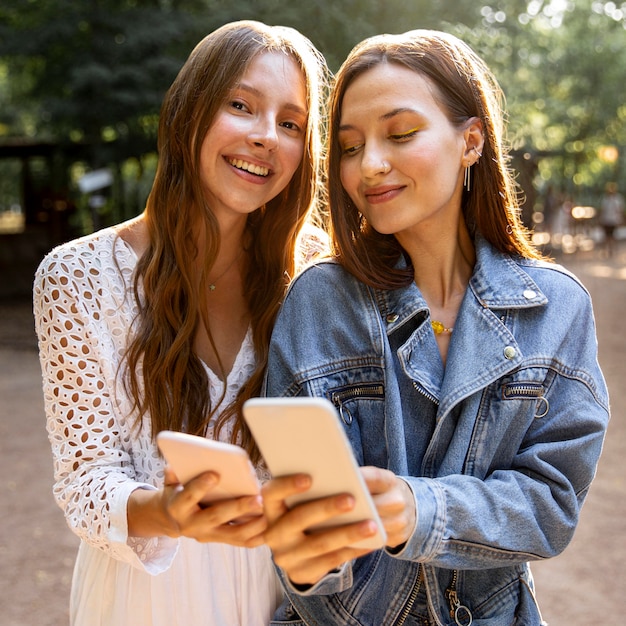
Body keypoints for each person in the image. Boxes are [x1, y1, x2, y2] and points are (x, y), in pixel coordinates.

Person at [260, 30, 609, 625]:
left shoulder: (556, 308)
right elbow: (307, 546)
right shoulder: (320, 299)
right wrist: (305, 548)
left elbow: (550, 505)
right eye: (349, 147)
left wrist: (416, 509)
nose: (370, 165)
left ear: (470, 139)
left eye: (400, 135)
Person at [33, 20, 328, 626]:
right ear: (188, 112)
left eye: (290, 123)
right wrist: (168, 511)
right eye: (241, 105)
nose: (265, 136)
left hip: (285, 598)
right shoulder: (75, 277)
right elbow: (84, 483)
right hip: (144, 596)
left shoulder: (317, 273)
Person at [599, 181, 624, 257]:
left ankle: (612, 250)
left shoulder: (617, 199)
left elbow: (619, 210)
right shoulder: (606, 199)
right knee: (607, 236)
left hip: (613, 220)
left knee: (612, 236)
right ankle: (607, 250)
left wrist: (620, 219)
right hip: (607, 220)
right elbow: (603, 210)